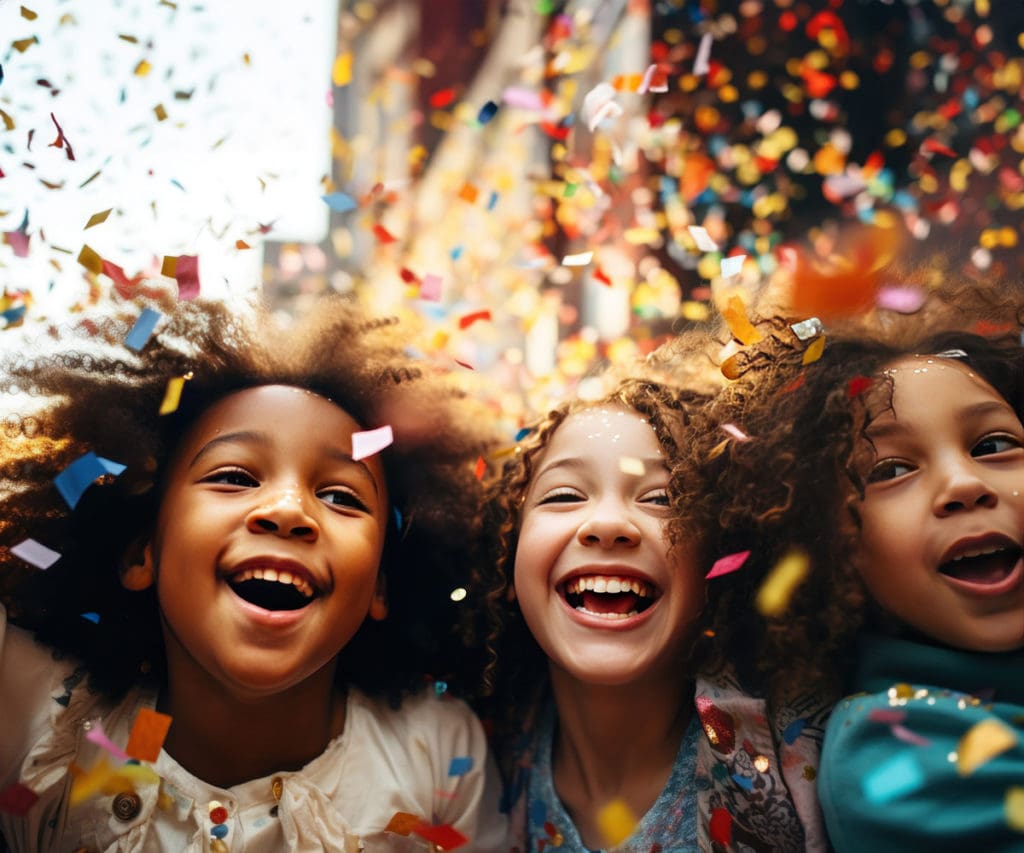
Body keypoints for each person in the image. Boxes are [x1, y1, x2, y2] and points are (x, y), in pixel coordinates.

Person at [0, 296, 508, 851]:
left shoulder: (435, 754)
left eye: (341, 495)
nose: (288, 510)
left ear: (381, 585)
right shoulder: (34, 713)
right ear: (141, 553)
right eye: (236, 478)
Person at [683, 302, 1024, 850]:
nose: (964, 483)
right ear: (834, 548)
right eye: (891, 470)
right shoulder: (889, 750)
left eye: (995, 445)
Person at [478, 374, 827, 852]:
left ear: (718, 557)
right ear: (510, 554)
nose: (608, 524)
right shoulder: (479, 749)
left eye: (662, 498)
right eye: (564, 495)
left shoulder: (806, 751)